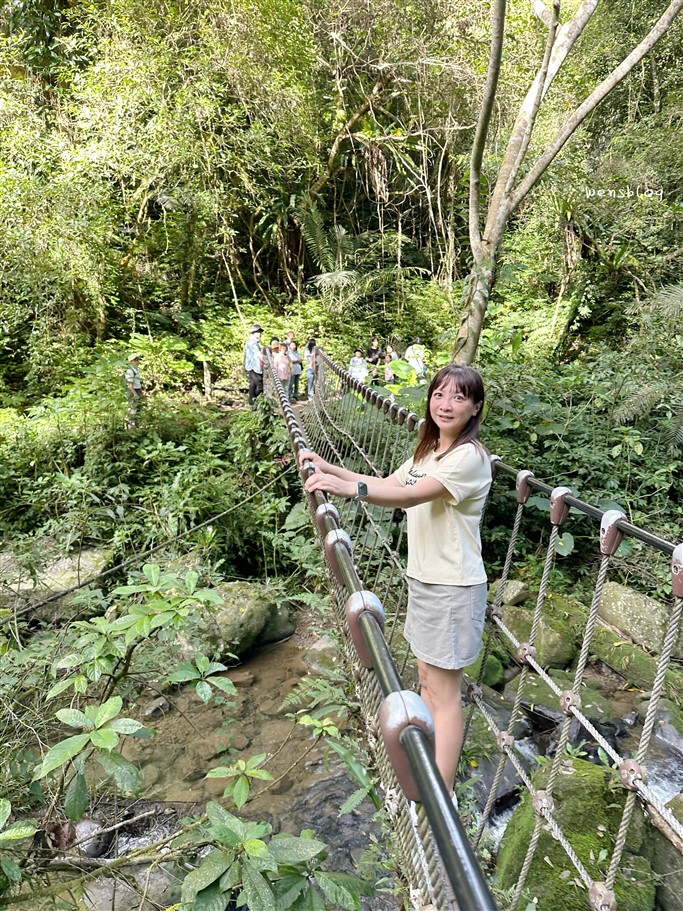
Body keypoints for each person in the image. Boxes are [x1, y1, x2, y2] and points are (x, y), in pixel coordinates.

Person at [299, 364, 491, 799]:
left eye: (459, 397)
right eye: (439, 394)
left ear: (475, 407)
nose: (446, 404)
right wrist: (333, 469)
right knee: (427, 678)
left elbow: (405, 497)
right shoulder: (431, 450)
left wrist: (346, 490)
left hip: (453, 587)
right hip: (425, 580)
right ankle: (431, 781)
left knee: (444, 696)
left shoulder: (469, 457)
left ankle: (440, 796)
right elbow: (388, 483)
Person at [244, 325, 264, 406]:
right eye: (258, 332)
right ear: (253, 333)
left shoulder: (256, 341)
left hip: (255, 366)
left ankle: (252, 401)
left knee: (253, 385)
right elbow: (258, 354)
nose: (259, 334)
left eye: (260, 332)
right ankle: (253, 401)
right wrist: (265, 362)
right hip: (253, 366)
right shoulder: (252, 342)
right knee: (261, 386)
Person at [124, 354, 143, 428]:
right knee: (133, 408)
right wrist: (135, 394)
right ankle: (131, 425)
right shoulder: (130, 371)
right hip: (132, 391)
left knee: (139, 408)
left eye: (137, 360)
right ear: (131, 361)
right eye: (135, 360)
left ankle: (136, 424)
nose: (137, 362)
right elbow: (130, 385)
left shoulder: (137, 370)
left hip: (138, 389)